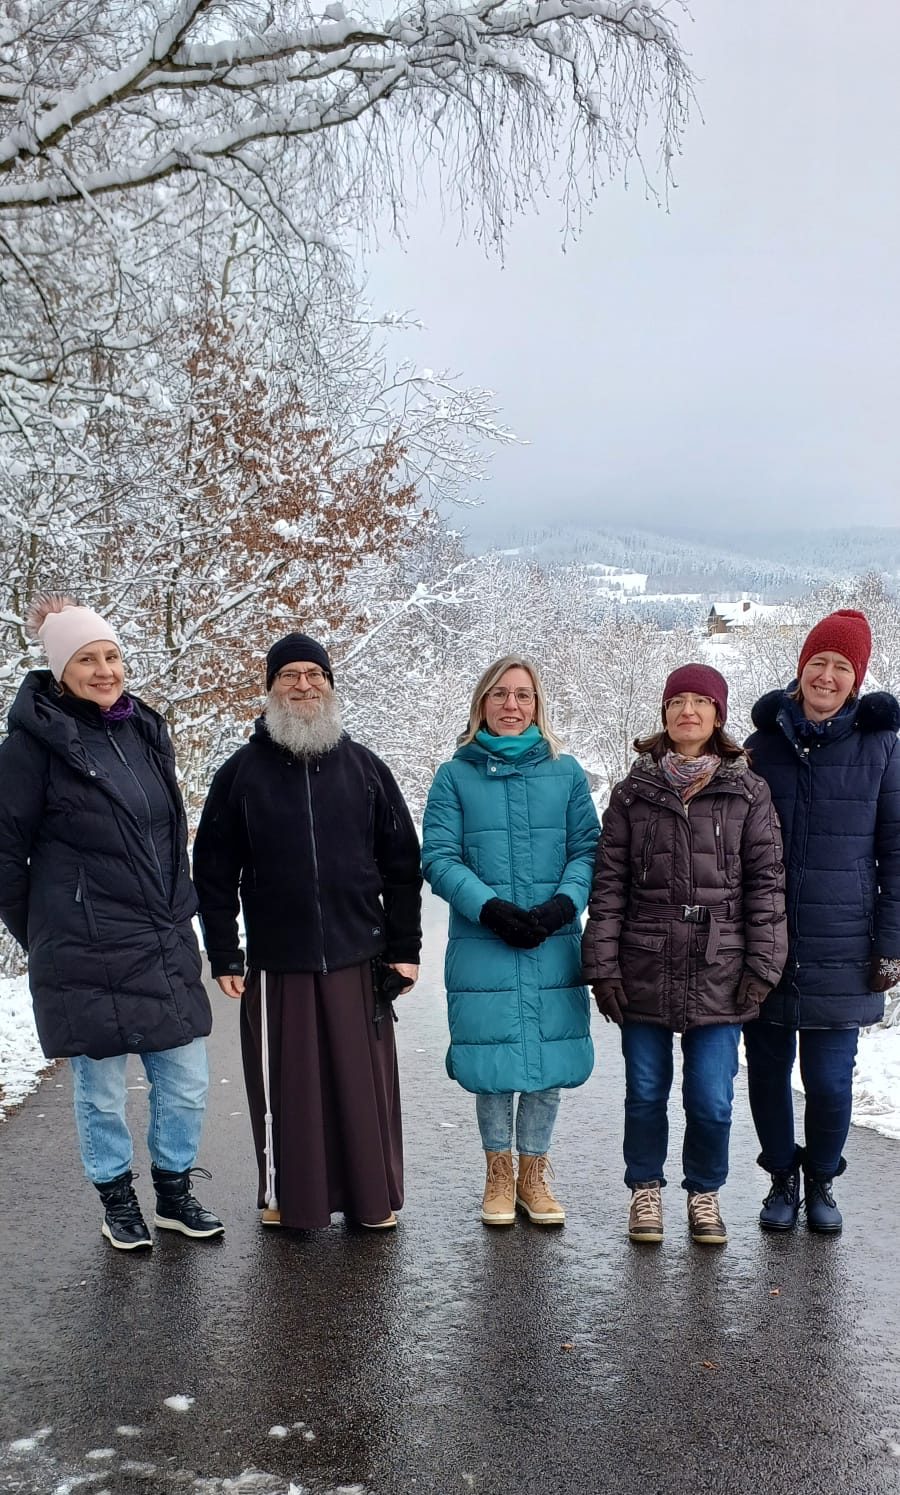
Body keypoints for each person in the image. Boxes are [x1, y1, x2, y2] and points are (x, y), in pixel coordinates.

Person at [0, 595, 223, 1250]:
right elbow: (5, 857)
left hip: (161, 937)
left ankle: (174, 1193)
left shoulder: (143, 731)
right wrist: (47, 932)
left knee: (186, 1080)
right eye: (86, 659)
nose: (105, 670)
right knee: (100, 1088)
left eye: (112, 656)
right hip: (84, 947)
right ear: (60, 670)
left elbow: (168, 831)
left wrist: (180, 905)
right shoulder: (28, 751)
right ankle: (118, 1201)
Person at [193, 632, 421, 1231]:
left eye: (314, 674)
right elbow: (212, 870)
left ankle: (370, 1199)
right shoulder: (240, 775)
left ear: (329, 685)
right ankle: (287, 1195)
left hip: (359, 955)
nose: (303, 685)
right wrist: (225, 953)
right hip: (278, 961)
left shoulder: (366, 768)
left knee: (360, 1088)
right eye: (289, 675)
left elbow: (402, 864)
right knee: (287, 1087)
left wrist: (405, 949)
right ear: (271, 689)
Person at [582, 663, 787, 1247]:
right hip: (645, 961)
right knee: (646, 1092)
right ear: (665, 713)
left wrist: (763, 966)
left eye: (701, 702)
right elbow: (609, 886)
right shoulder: (633, 792)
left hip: (721, 966)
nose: (688, 711)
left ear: (718, 715)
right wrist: (602, 967)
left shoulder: (748, 790)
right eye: (678, 702)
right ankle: (645, 1188)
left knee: (712, 1099)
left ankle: (704, 1192)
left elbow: (767, 885)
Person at [421, 655, 599, 1227]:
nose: (511, 705)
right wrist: (489, 907)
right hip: (484, 940)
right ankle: (498, 1173)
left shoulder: (567, 774)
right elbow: (438, 856)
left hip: (553, 936)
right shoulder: (454, 777)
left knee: (548, 1058)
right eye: (499, 694)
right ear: (482, 704)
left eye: (523, 695)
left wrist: (562, 904)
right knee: (494, 1059)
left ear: (537, 705)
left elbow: (588, 850)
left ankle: (534, 1174)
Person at [743, 609, 900, 1234]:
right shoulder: (761, 746)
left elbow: (897, 851)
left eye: (841, 666)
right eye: (818, 662)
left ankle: (823, 1179)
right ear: (801, 668)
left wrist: (891, 945)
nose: (827, 676)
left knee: (831, 1082)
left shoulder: (882, 748)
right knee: (766, 1073)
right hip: (766, 940)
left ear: (856, 678)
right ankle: (781, 1177)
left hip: (845, 943)